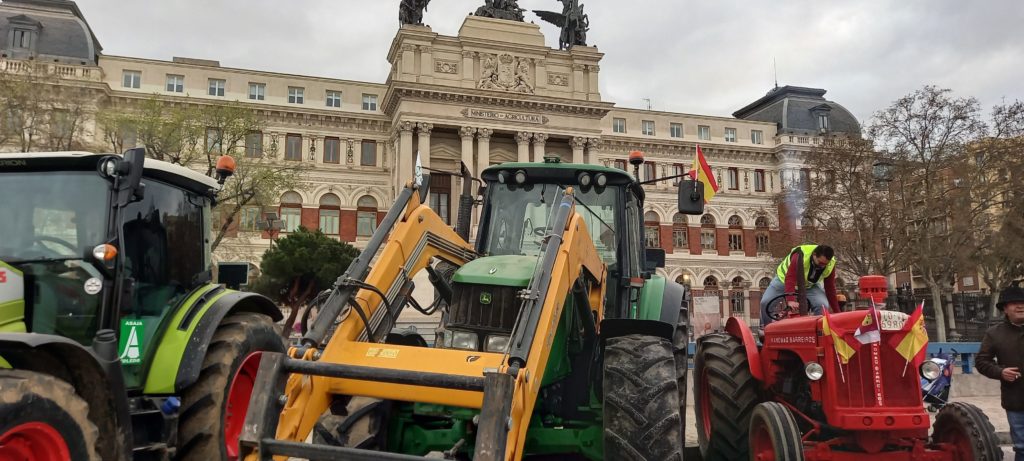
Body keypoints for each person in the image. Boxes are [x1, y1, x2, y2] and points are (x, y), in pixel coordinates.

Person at [976, 283, 1024, 461]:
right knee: (1022, 447)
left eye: (1023, 302)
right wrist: (1000, 372)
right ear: (1005, 308)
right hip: (1016, 401)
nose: (1020, 306)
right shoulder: (994, 334)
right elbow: (981, 361)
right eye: (1014, 303)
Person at [760, 244, 839, 327]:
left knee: (822, 305)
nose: (822, 266)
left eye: (825, 264)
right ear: (814, 255)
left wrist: (838, 312)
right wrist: (790, 300)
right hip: (783, 280)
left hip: (809, 285)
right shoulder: (800, 255)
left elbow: (830, 288)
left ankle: (819, 330)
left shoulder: (831, 263)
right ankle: (766, 328)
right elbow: (790, 278)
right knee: (765, 302)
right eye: (820, 263)